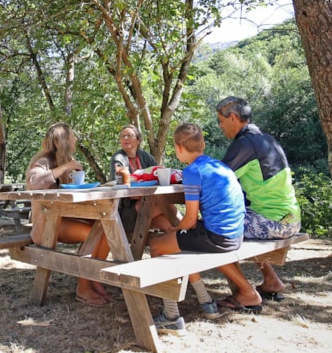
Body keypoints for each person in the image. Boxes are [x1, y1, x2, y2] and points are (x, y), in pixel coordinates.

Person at [149, 122, 247, 334]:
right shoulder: (220, 166)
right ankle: (206, 302)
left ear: (179, 148)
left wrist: (174, 231)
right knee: (179, 244)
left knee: (158, 246)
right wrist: (178, 232)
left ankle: (170, 316)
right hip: (235, 235)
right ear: (202, 145)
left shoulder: (192, 172)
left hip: (217, 237)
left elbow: (190, 220)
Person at [215, 96, 302, 309]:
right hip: (291, 219)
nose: (220, 127)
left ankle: (246, 293)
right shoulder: (267, 139)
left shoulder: (244, 144)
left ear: (233, 118)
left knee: (214, 230)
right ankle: (271, 281)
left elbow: (216, 179)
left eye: (221, 121)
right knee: (242, 218)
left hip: (274, 222)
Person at [26, 122, 112, 306]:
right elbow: (34, 182)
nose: (76, 139)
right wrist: (65, 168)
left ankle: (94, 277)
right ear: (64, 140)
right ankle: (83, 287)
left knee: (106, 230)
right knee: (93, 235)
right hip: (47, 227)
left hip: (63, 219)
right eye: (73, 136)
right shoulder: (44, 161)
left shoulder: (66, 160)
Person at [109, 125, 158, 234]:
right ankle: (188, 228)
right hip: (126, 210)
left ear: (138, 140)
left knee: (169, 225)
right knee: (161, 206)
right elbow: (119, 185)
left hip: (147, 203)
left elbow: (157, 174)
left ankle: (183, 234)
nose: (125, 138)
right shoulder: (118, 159)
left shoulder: (146, 157)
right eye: (123, 136)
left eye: (129, 135)